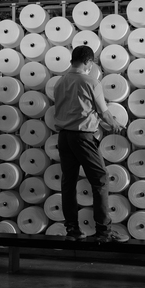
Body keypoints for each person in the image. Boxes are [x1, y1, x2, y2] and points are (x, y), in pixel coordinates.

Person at [53, 45, 130, 243]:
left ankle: (72, 230)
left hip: (64, 137)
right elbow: (103, 112)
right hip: (82, 138)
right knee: (100, 180)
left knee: (68, 183)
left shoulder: (59, 82)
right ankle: (104, 232)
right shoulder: (90, 82)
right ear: (88, 62)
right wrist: (115, 125)